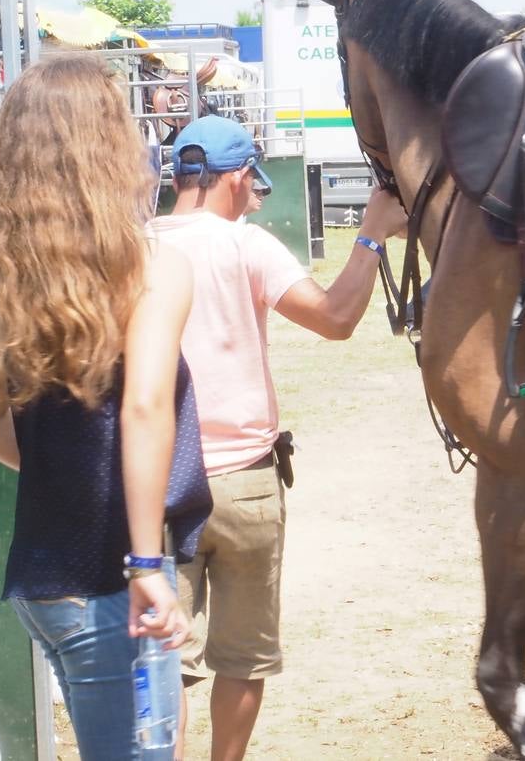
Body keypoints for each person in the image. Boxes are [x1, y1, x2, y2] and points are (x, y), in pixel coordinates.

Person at [0, 55, 209, 760]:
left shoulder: (18, 278)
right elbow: (143, 409)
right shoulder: (152, 266)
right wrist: (142, 566)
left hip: (45, 582)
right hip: (111, 582)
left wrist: (56, 476)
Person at [149, 114, 407, 761]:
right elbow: (337, 318)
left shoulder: (135, 246)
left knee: (163, 660)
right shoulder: (248, 245)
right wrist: (371, 236)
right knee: (243, 658)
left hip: (158, 481)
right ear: (235, 178)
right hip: (247, 486)